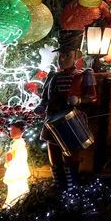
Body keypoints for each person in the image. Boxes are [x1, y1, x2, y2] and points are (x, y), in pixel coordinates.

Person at [38, 46, 91, 190]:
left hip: (71, 122)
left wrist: (79, 100)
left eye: (67, 55)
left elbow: (92, 97)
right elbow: (45, 98)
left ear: (76, 57)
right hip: (52, 120)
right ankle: (58, 185)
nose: (62, 59)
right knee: (54, 155)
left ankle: (72, 187)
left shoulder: (84, 75)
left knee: (70, 155)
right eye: (61, 56)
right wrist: (41, 106)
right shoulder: (52, 76)